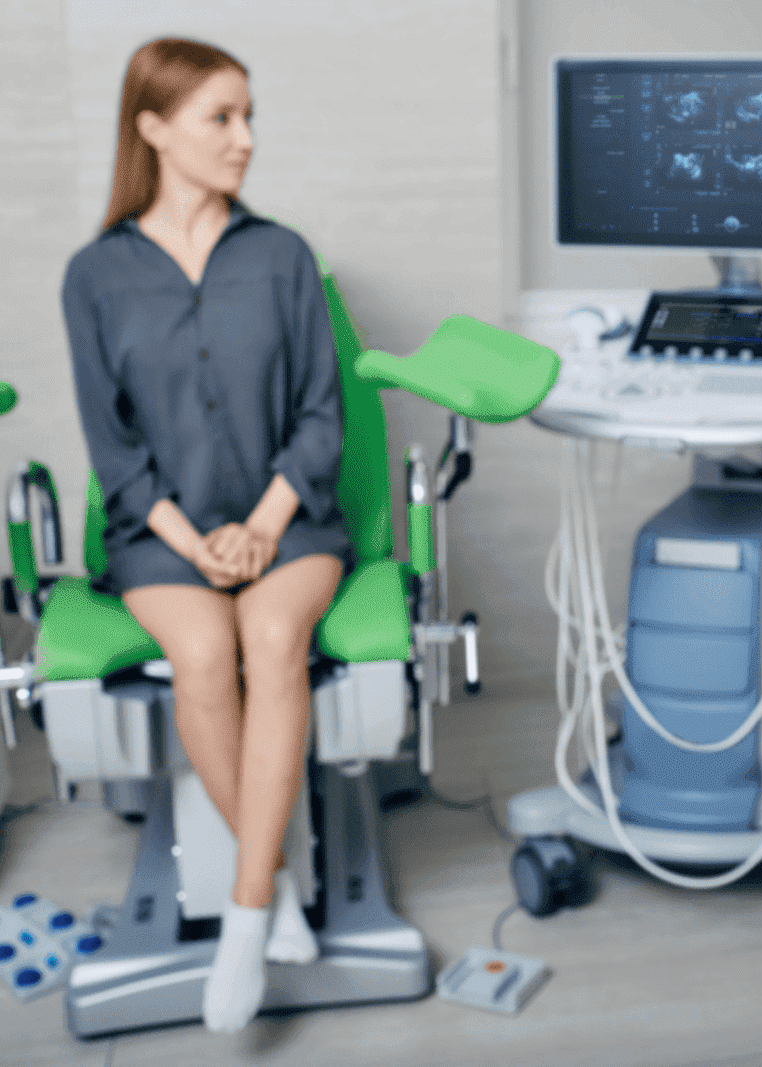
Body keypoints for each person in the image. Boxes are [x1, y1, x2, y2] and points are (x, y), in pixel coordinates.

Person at [61, 38, 349, 1034]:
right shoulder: (95, 276)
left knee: (272, 641)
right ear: (153, 128)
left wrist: (263, 526)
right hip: (158, 533)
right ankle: (276, 878)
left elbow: (321, 416)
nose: (246, 138)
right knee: (200, 652)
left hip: (290, 520)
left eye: (248, 115)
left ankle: (246, 911)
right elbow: (117, 449)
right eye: (221, 117)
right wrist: (198, 545)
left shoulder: (282, 255)